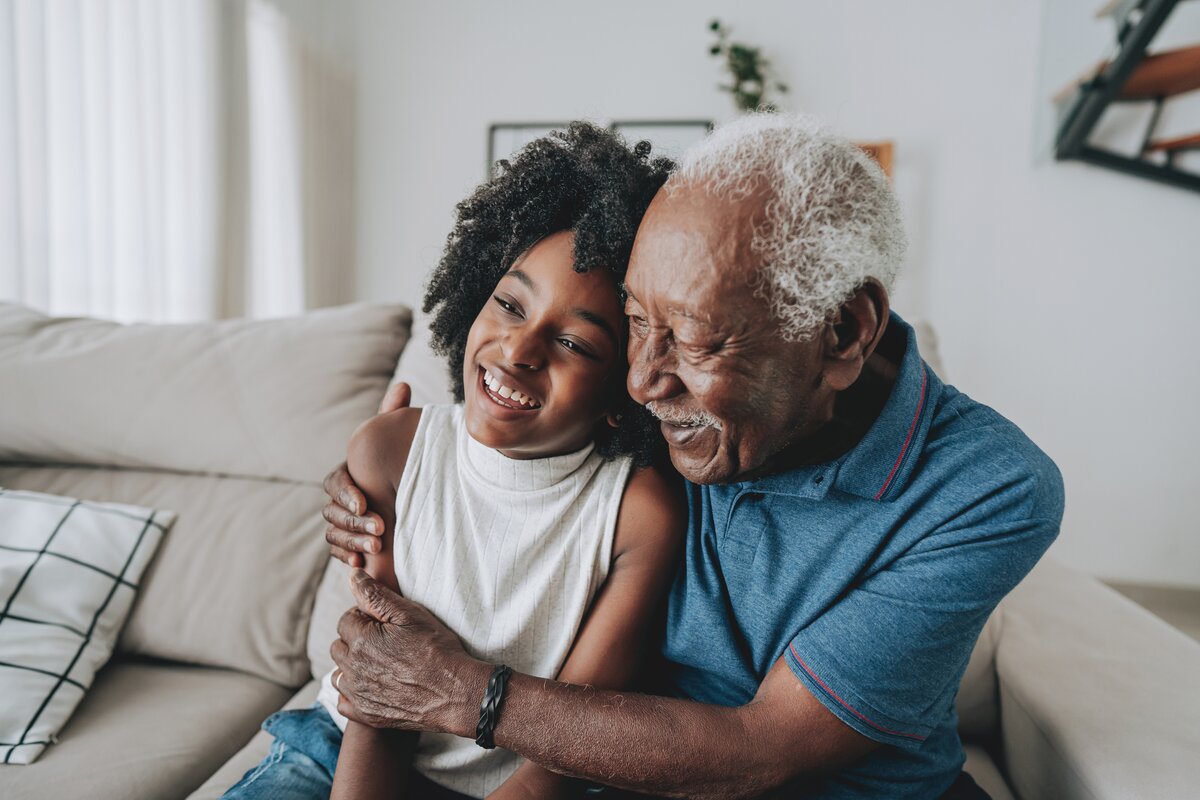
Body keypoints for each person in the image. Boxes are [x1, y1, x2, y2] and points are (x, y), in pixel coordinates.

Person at [324, 113, 1065, 799]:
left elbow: (764, 749)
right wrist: (384, 487)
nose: (643, 380)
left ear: (841, 334)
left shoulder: (988, 487)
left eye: (697, 337)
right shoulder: (657, 424)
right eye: (638, 323)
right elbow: (504, 465)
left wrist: (463, 692)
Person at [221, 122, 684, 800]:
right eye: (508, 304)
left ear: (626, 391)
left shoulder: (638, 516)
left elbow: (560, 759)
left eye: (576, 345)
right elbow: (378, 697)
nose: (519, 349)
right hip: (344, 747)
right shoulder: (390, 451)